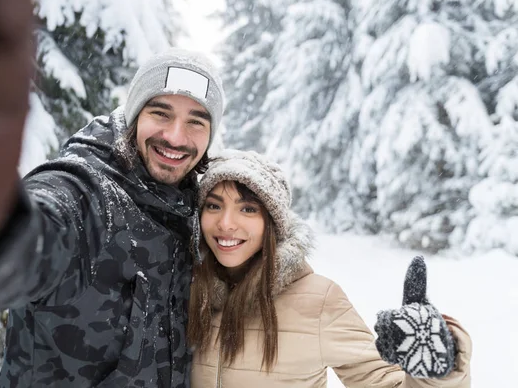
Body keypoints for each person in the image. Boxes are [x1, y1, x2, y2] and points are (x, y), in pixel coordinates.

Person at [0, 0, 225, 387]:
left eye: (196, 122)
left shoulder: (198, 215)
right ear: (132, 116)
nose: (175, 136)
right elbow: (26, 247)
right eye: (159, 112)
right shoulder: (88, 195)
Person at [188, 149, 472, 387]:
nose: (226, 223)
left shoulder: (319, 301)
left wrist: (436, 372)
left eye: (247, 209)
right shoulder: (186, 289)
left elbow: (386, 382)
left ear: (272, 223)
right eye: (213, 206)